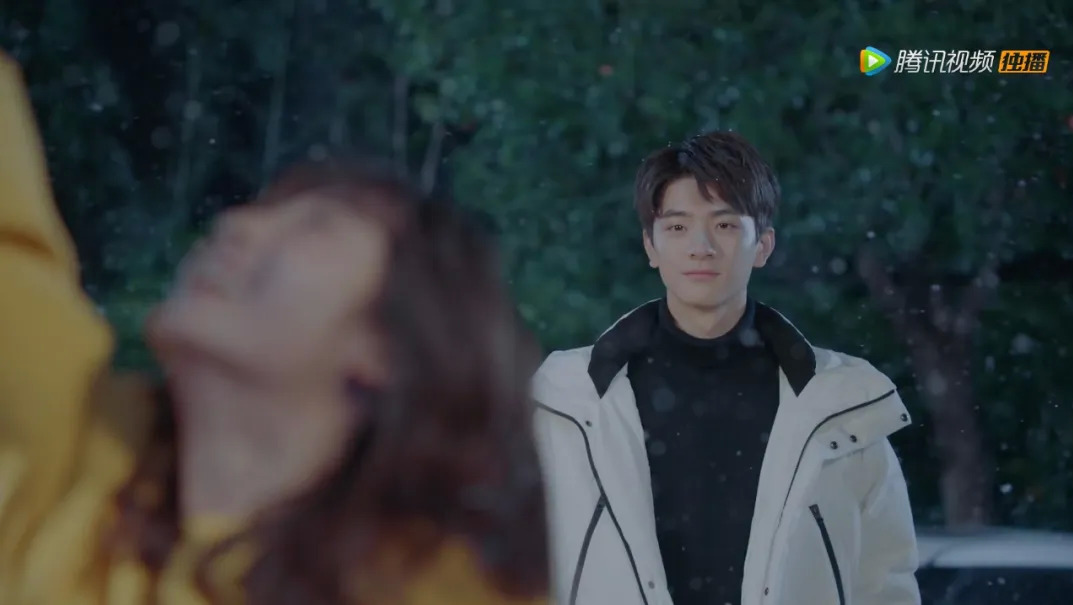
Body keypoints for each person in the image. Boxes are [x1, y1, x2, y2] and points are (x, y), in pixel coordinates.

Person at [0, 53, 549, 605]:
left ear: (388, 347)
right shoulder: (73, 451)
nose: (234, 223)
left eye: (316, 226)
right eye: (256, 209)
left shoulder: (441, 591)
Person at [532, 130, 920, 605]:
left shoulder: (842, 407)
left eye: (725, 225)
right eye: (677, 227)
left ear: (763, 245)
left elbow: (885, 581)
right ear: (650, 246)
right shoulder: (567, 404)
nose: (701, 247)